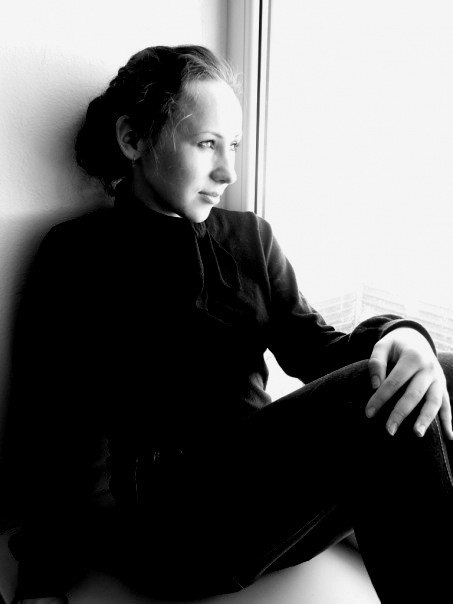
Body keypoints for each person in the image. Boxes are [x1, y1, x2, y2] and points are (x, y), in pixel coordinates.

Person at [4, 44, 453, 604]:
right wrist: (42, 581)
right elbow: (54, 428)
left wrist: (403, 336)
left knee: (434, 371)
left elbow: (318, 351)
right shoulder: (78, 254)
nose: (228, 170)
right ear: (133, 139)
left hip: (270, 517)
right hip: (172, 533)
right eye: (206, 144)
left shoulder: (250, 238)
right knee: (381, 389)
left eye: (233, 145)